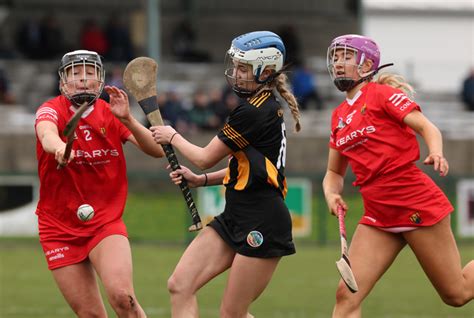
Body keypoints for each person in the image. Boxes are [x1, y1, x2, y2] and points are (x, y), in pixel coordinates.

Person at [150, 31, 301, 318]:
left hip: (263, 221)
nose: (235, 73)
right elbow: (245, 166)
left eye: (243, 68)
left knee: (233, 313)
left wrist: (173, 136)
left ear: (265, 71)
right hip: (235, 215)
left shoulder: (254, 111)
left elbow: (205, 158)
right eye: (235, 65)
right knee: (179, 285)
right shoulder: (257, 107)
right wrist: (200, 181)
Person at [323, 34, 474, 317]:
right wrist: (332, 194)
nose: (338, 63)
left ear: (367, 64)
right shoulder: (338, 116)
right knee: (347, 295)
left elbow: (428, 127)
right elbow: (333, 172)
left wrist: (436, 151)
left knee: (457, 294)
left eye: (345, 57)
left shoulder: (381, 95)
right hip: (379, 214)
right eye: (335, 57)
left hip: (415, 202)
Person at [34, 49, 164, 317]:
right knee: (91, 314)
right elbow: (46, 133)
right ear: (62, 81)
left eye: (90, 72)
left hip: (105, 221)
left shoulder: (111, 113)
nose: (83, 79)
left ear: (100, 79)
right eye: (75, 73)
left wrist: (127, 117)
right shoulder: (50, 109)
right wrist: (59, 147)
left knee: (123, 298)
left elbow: (156, 150)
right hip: (58, 227)